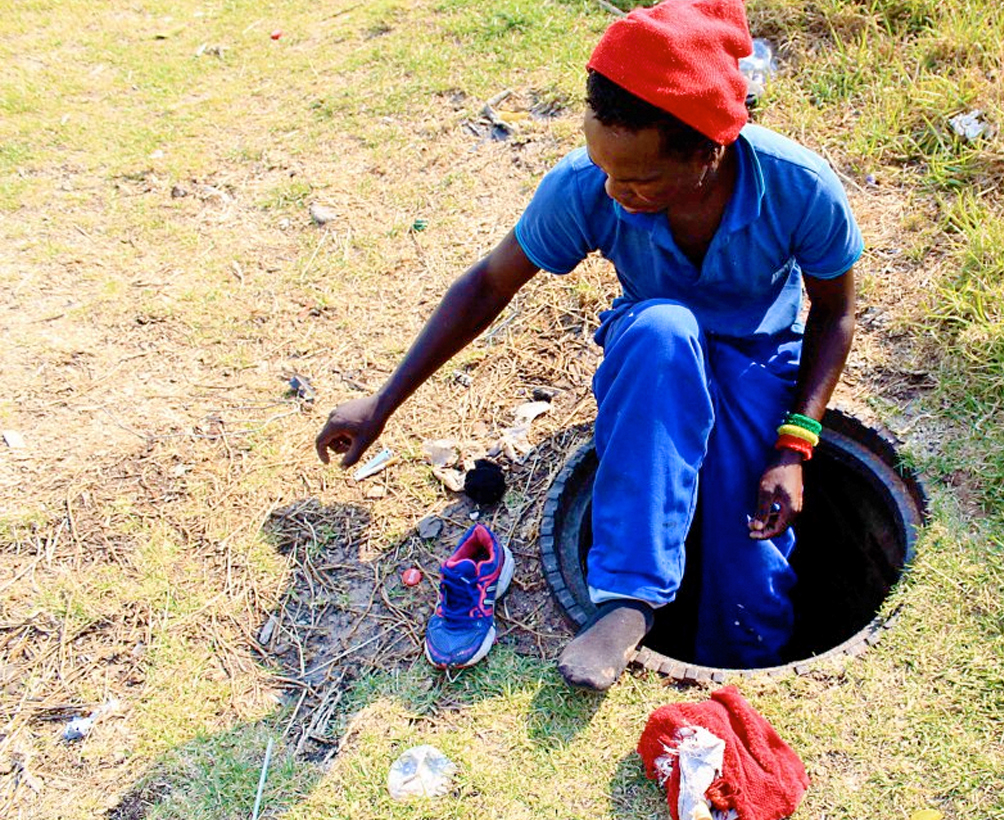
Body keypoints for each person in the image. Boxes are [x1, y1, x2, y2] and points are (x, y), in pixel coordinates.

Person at [315, 0, 861, 690]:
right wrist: (384, 401)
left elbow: (835, 313)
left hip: (759, 354)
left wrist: (794, 445)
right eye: (605, 168)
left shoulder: (797, 187)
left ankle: (744, 664)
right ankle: (629, 599)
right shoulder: (588, 185)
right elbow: (487, 285)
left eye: (638, 180)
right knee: (665, 330)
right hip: (653, 356)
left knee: (746, 528)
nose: (613, 190)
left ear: (710, 150)